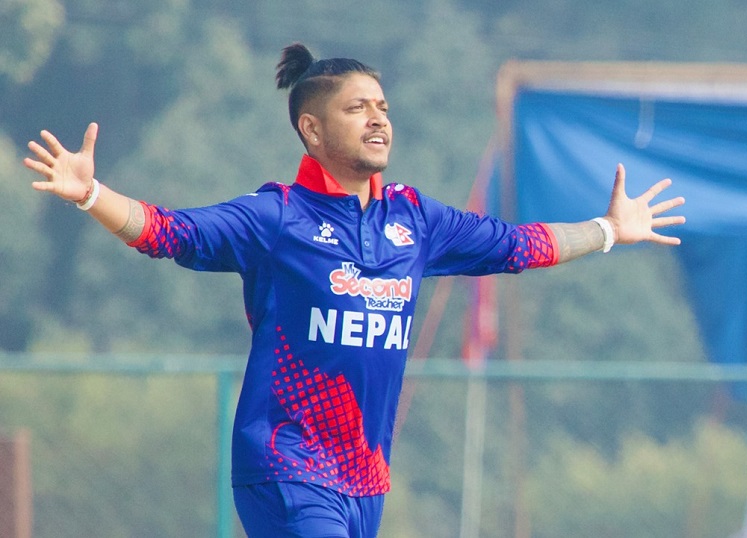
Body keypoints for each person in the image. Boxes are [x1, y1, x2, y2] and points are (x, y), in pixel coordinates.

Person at [22, 43, 685, 538]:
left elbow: (518, 246)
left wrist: (608, 230)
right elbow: (170, 232)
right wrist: (92, 194)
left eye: (383, 108)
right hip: (287, 465)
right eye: (357, 108)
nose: (378, 119)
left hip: (365, 482)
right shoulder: (277, 216)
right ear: (312, 129)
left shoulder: (415, 220)